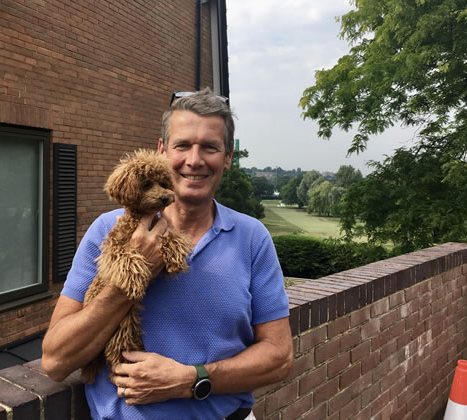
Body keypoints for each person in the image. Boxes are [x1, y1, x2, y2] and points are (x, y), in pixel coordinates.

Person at [41, 88, 293, 420]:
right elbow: (55, 361)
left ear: (228, 157)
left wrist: (190, 380)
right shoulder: (106, 230)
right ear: (162, 150)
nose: (194, 160)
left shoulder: (252, 238)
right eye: (183, 145)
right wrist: (131, 279)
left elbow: (279, 356)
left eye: (210, 147)